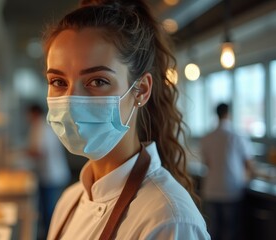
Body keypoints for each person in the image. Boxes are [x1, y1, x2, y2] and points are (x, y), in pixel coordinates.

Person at [42, 0, 210, 239]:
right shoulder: (69, 201)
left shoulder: (169, 219)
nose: (71, 101)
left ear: (140, 90)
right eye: (58, 82)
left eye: (97, 81)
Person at [200, 103, 254, 240]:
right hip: (231, 189)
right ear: (228, 114)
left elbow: (206, 163)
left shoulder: (207, 137)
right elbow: (249, 165)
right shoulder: (237, 136)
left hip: (211, 189)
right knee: (230, 231)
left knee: (212, 230)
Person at [25, 103, 71, 239]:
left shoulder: (41, 128)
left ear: (34, 113)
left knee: (50, 211)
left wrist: (23, 153)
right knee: (47, 209)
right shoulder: (44, 126)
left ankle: (51, 236)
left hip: (51, 175)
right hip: (50, 173)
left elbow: (39, 152)